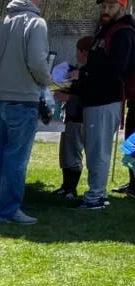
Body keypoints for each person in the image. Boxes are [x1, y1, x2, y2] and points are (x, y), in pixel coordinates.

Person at [0, 0, 51, 225]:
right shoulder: (36, 24)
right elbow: (37, 63)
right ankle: (9, 210)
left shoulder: (1, 25)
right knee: (16, 159)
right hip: (23, 100)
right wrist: (47, 82)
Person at [75, 0, 135, 210]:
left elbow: (118, 67)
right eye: (103, 6)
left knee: (98, 151)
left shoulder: (123, 32)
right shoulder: (104, 31)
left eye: (111, 6)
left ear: (122, 8)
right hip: (95, 98)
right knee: (93, 150)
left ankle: (96, 197)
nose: (105, 10)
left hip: (107, 98)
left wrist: (87, 68)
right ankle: (95, 193)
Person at [53, 37, 92, 199]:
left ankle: (71, 189)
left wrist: (68, 97)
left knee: (73, 152)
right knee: (65, 152)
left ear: (83, 52)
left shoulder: (88, 73)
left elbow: (87, 96)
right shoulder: (77, 70)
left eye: (77, 50)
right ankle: (65, 186)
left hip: (79, 118)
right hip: (70, 116)